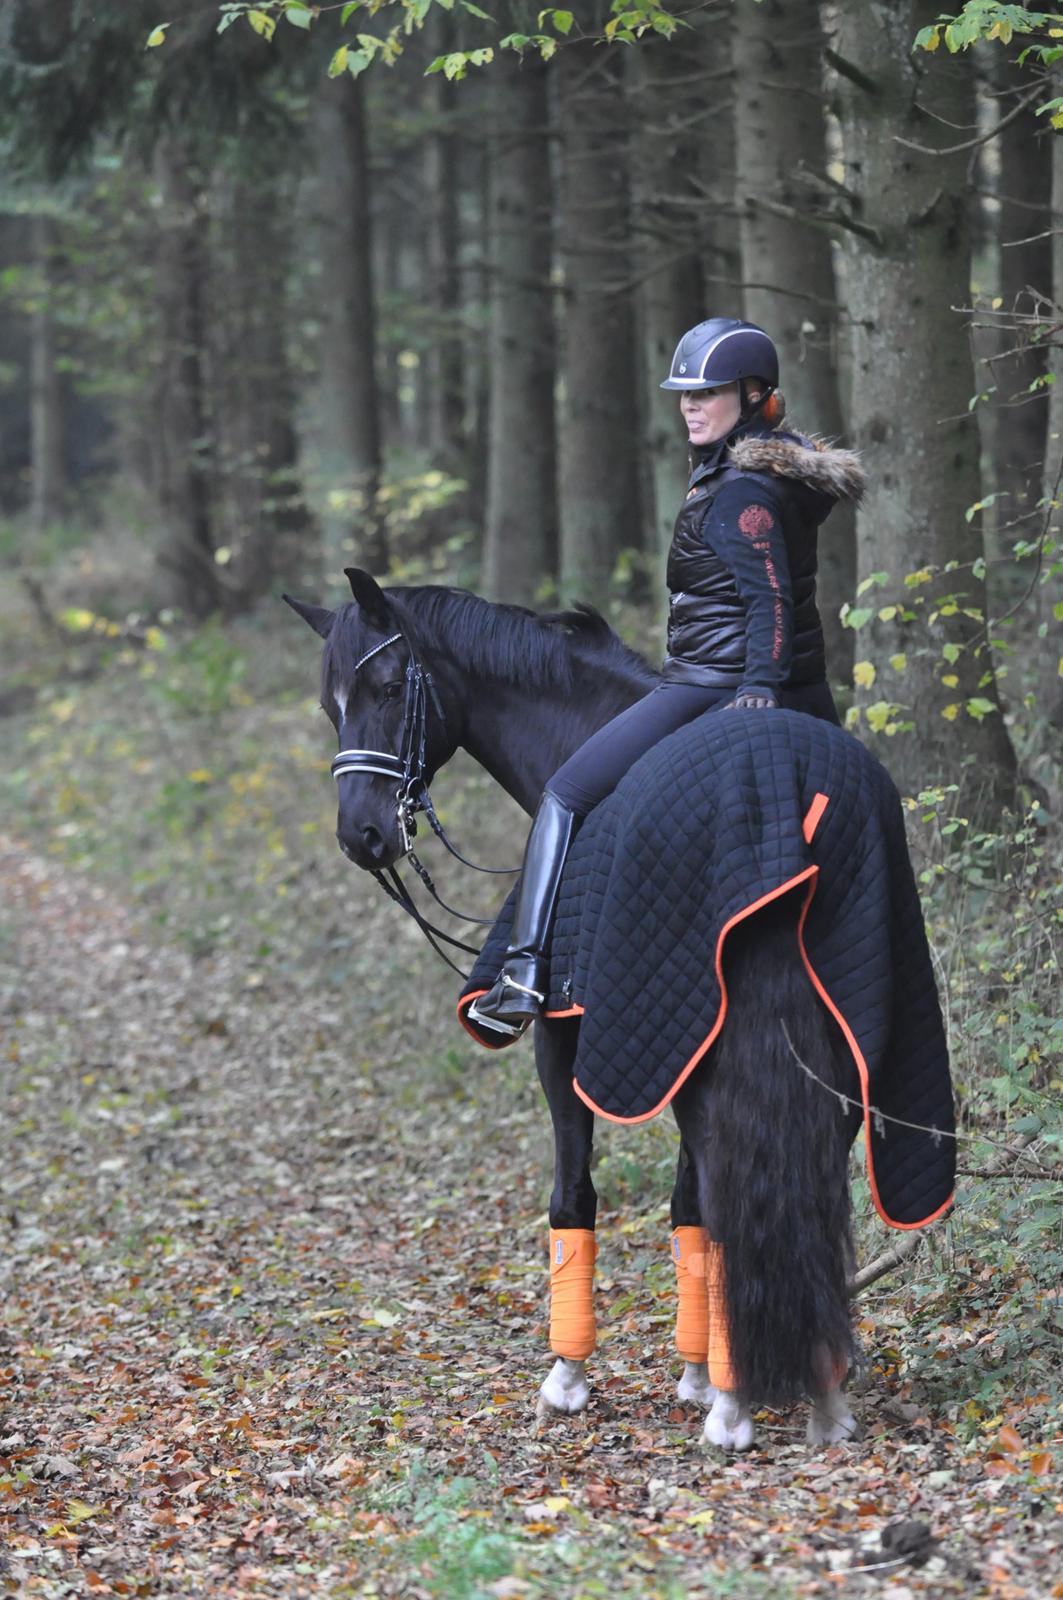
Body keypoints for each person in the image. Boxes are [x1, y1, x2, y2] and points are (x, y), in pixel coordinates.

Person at [470, 317, 865, 1037]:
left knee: (564, 793)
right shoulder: (756, 473)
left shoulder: (740, 492)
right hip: (774, 684)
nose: (689, 405)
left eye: (707, 392)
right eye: (684, 393)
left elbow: (770, 599)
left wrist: (757, 686)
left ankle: (524, 973)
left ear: (751, 396)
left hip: (709, 683)